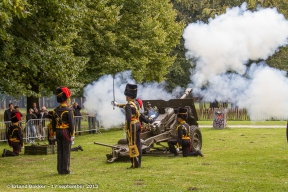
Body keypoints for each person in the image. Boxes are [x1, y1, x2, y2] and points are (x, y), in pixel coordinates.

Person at [115, 83, 142, 168]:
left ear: (128, 96)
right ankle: (139, 162)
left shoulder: (128, 105)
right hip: (137, 124)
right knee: (138, 144)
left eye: (126, 95)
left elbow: (128, 118)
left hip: (132, 126)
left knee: (132, 144)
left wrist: (127, 127)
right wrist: (117, 104)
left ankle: (134, 164)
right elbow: (126, 106)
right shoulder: (136, 103)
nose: (126, 97)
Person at [51, 86, 74, 174]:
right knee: (66, 151)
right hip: (66, 132)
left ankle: (60, 169)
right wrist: (72, 135)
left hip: (58, 131)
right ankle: (65, 170)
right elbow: (71, 124)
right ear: (66, 99)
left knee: (60, 151)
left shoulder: (55, 110)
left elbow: (53, 123)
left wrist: (53, 132)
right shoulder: (69, 110)